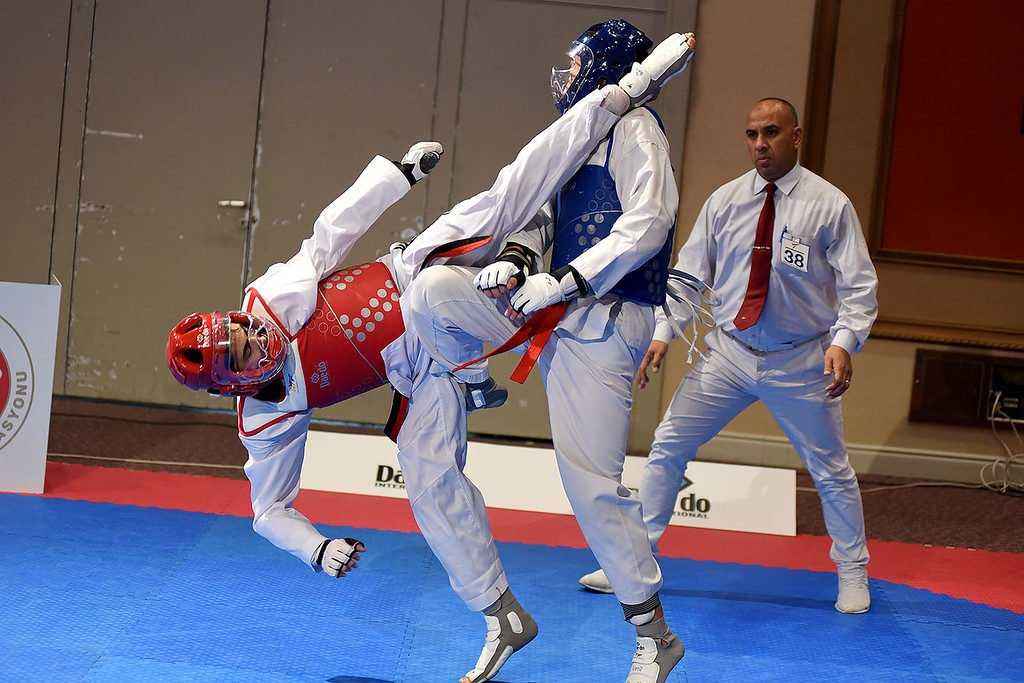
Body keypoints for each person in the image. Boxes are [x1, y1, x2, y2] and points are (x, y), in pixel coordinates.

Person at [164, 34, 694, 683]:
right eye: (246, 351)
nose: (256, 337)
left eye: (243, 328)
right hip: (419, 369)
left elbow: (329, 232)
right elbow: (267, 509)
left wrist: (397, 174)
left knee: (502, 199)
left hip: (417, 267)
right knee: (430, 482)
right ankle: (501, 615)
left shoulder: (270, 298)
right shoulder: (265, 419)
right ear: (234, 384)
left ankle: (620, 91)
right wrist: (315, 546)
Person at [400, 20, 696, 683]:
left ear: (606, 68)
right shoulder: (575, 137)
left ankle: (656, 636)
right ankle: (473, 375)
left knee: (591, 489)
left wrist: (563, 280)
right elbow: (536, 216)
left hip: (602, 317)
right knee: (434, 292)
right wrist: (512, 261)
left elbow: (649, 224)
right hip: (546, 305)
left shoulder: (635, 129)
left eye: (574, 63)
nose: (563, 76)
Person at [577, 97, 879, 616]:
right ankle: (636, 561)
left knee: (831, 469)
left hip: (800, 360)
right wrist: (663, 332)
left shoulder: (831, 206)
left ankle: (853, 572)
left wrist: (842, 342)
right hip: (729, 354)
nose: (760, 144)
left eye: (772, 133)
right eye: (752, 134)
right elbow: (691, 274)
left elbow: (859, 288)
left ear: (796, 136)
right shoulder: (725, 202)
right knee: (669, 443)